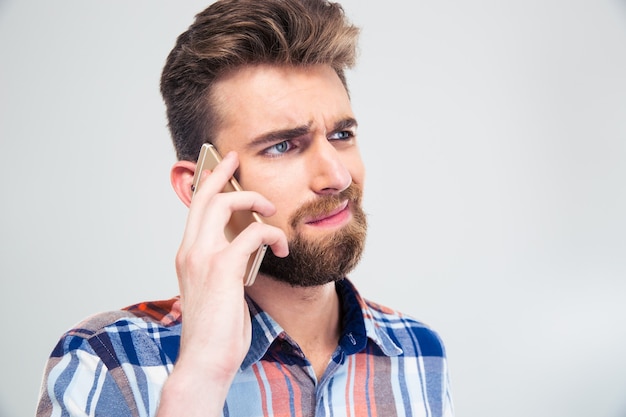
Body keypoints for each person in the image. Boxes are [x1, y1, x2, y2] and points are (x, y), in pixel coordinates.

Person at [35, 0, 454, 416]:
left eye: (342, 134)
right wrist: (201, 377)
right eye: (283, 145)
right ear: (201, 185)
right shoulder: (108, 363)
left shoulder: (419, 351)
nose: (337, 177)